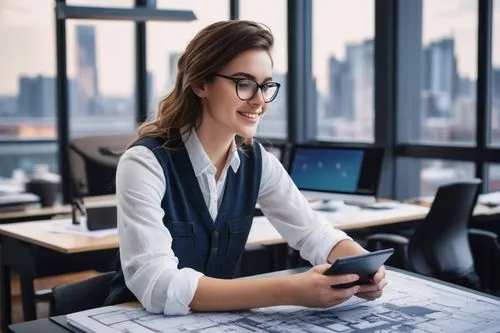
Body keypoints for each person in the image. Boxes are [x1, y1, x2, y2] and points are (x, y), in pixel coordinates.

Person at [105, 20, 387, 315]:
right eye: (244, 84)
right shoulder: (144, 163)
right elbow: (159, 285)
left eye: (265, 86)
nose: (260, 101)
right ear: (200, 84)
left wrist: (365, 264)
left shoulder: (257, 160)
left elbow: (314, 233)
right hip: (131, 320)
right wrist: (289, 290)